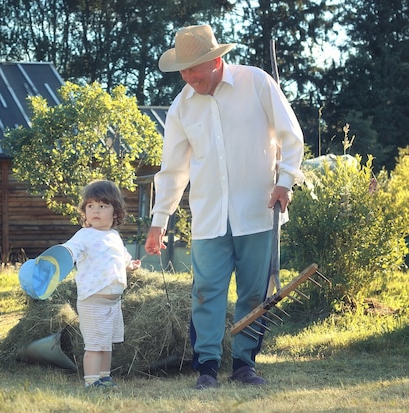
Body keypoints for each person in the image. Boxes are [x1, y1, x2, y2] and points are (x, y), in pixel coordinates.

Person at [144, 24, 305, 389]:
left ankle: (245, 364)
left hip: (259, 211)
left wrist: (285, 181)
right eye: (182, 70)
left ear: (216, 60)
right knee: (206, 291)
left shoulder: (257, 83)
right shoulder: (181, 107)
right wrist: (159, 221)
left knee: (253, 292)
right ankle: (207, 367)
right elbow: (172, 170)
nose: (187, 76)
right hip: (209, 217)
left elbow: (291, 136)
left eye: (193, 67)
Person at [62, 180, 141, 388]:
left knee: (107, 345)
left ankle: (104, 377)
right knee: (95, 345)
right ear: (84, 211)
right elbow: (71, 249)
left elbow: (121, 259)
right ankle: (91, 381)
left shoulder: (114, 236)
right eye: (91, 206)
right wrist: (62, 255)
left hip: (113, 302)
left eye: (102, 206)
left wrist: (130, 265)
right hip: (94, 300)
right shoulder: (84, 235)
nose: (95, 211)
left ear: (115, 212)